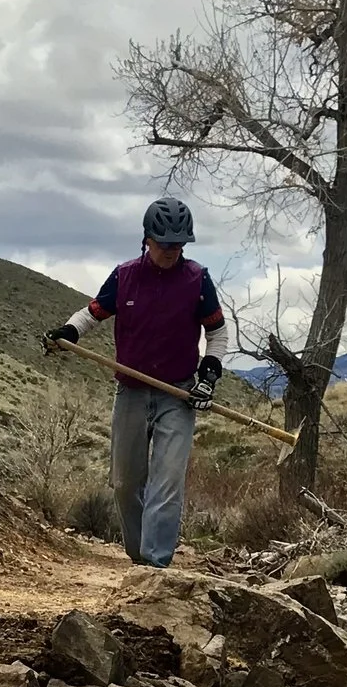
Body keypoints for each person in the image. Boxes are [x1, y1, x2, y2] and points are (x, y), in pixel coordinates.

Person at [43, 197, 229, 569]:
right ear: (147, 239)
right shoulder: (125, 276)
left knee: (167, 482)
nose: (171, 252)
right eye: (164, 245)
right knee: (126, 484)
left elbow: (217, 331)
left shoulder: (197, 279)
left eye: (178, 245)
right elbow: (92, 313)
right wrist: (70, 331)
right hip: (130, 391)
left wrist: (209, 374)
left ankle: (155, 566)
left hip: (178, 394)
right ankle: (139, 557)